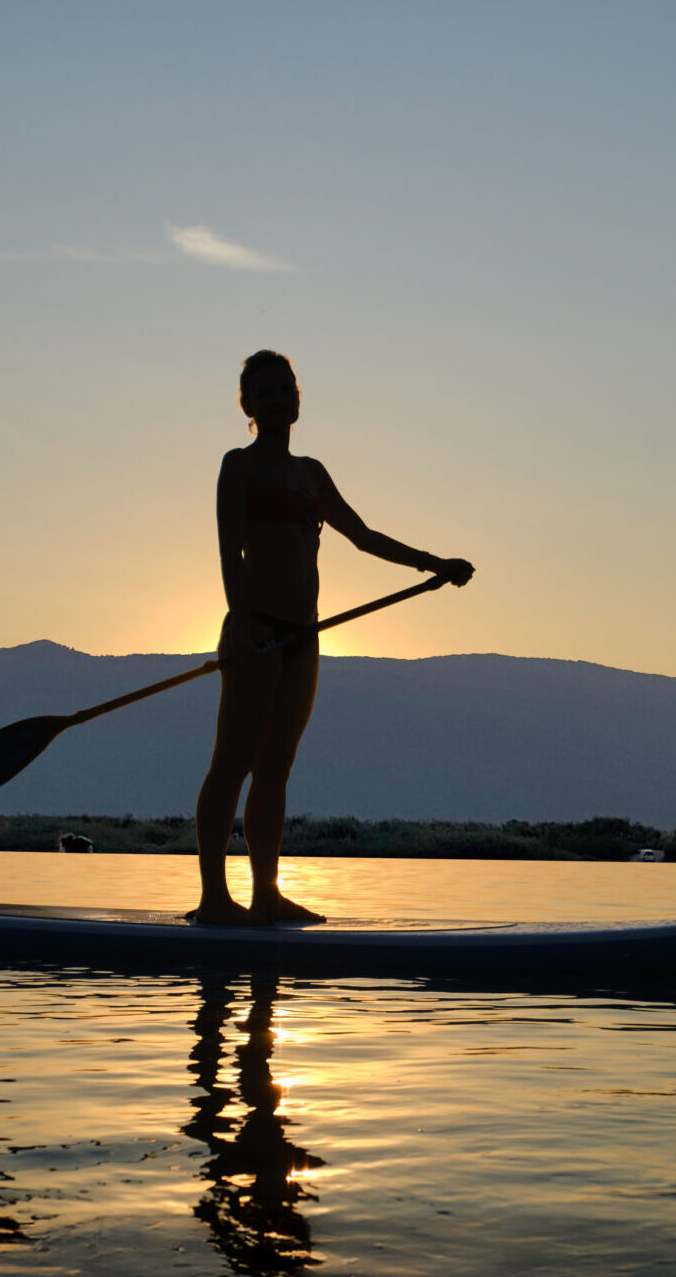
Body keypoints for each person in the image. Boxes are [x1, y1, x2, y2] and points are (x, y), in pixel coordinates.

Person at [192, 350, 473, 925]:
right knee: (233, 762)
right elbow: (227, 549)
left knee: (277, 768)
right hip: (255, 631)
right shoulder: (238, 466)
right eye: (263, 392)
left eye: (285, 388)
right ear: (246, 405)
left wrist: (432, 563)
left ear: (298, 398)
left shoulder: (312, 473)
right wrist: (240, 621)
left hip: (305, 637)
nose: (277, 399)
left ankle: (266, 895)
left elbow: (363, 537)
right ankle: (214, 898)